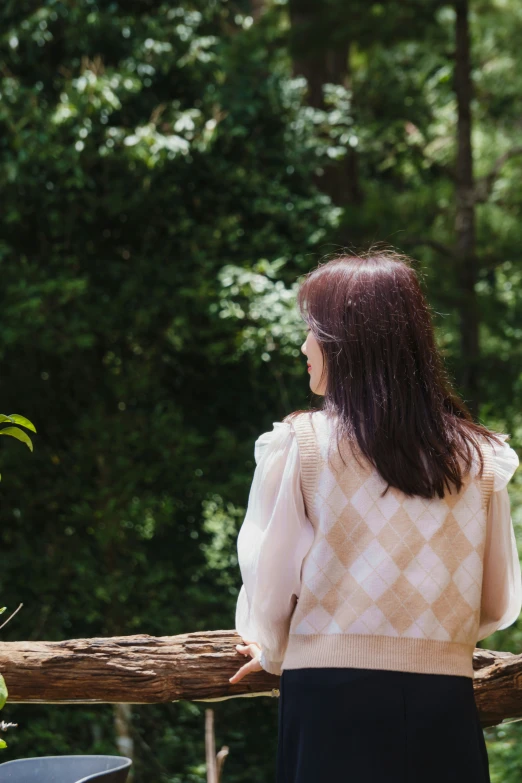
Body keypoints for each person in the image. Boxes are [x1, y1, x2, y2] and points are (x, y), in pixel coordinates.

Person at [229, 250, 521, 782]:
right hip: (443, 705)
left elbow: (270, 587)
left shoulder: (303, 444)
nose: (303, 347)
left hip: (328, 703)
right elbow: (497, 602)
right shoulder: (480, 458)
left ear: (347, 341)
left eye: (311, 331)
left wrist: (269, 647)